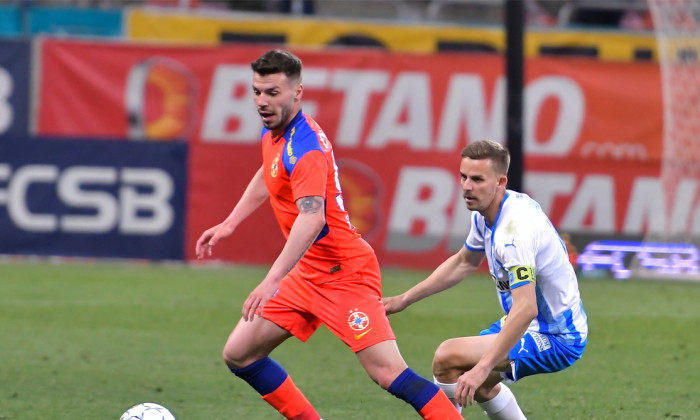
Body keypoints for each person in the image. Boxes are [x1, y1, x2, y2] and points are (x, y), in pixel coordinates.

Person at [195, 49, 462, 420]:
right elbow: (269, 173)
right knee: (240, 353)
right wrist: (230, 222)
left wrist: (272, 279)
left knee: (388, 374)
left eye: (272, 92)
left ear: (297, 93)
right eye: (257, 91)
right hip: (307, 272)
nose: (262, 101)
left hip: (343, 273)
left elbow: (313, 218)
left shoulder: (306, 148)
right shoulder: (275, 132)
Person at [383, 140, 588, 419]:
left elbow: (527, 308)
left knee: (448, 356)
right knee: (473, 384)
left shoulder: (513, 233)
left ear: (501, 181)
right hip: (527, 322)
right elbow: (464, 262)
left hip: (556, 335)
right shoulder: (488, 213)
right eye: (463, 177)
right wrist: (403, 299)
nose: (467, 186)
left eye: (477, 179)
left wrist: (482, 368)